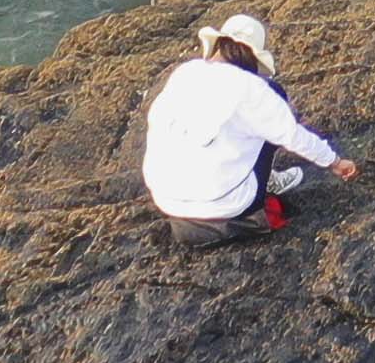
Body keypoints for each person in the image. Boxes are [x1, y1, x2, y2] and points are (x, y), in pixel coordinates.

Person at [143, 12, 355, 250]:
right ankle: (266, 182)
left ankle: (239, 178)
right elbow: (292, 135)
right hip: (226, 203)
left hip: (168, 199)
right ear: (254, 56)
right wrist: (335, 162)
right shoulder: (252, 88)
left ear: (217, 46)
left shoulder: (185, 73)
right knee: (273, 105)